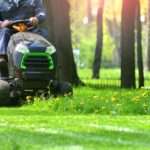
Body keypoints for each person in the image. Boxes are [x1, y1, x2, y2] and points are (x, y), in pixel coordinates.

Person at [0, 0, 47, 79]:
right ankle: (2, 59)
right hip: (9, 30)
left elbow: (42, 13)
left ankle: (43, 68)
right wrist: (1, 23)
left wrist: (37, 18)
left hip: (30, 30)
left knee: (44, 36)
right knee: (4, 32)